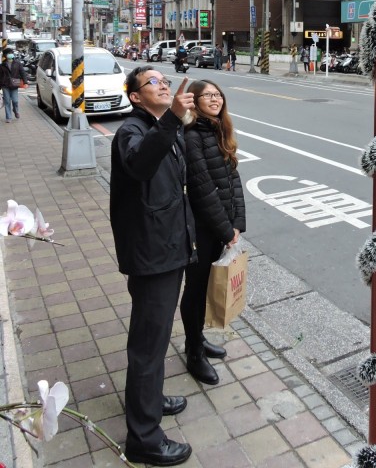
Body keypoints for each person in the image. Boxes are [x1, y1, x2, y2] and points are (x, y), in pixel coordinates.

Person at [110, 68, 197, 467]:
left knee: (157, 339)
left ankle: (151, 401)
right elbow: (141, 164)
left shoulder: (164, 127)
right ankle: (144, 439)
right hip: (152, 256)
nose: (163, 85)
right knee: (147, 346)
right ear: (135, 97)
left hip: (168, 249)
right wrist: (174, 120)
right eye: (153, 83)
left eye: (165, 80)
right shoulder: (131, 131)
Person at [180, 80, 246, 385]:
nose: (215, 98)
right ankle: (193, 350)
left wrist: (236, 224)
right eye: (208, 95)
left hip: (219, 228)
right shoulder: (192, 135)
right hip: (201, 230)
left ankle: (199, 339)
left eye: (218, 94)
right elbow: (202, 189)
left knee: (204, 289)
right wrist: (225, 230)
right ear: (193, 100)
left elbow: (233, 182)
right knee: (194, 292)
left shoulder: (219, 129)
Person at [0, 49, 29, 123]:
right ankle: (8, 117)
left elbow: (23, 73)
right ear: (5, 55)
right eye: (8, 53)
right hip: (5, 85)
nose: (10, 54)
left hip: (14, 84)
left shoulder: (17, 63)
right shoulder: (2, 65)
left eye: (11, 53)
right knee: (7, 101)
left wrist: (25, 82)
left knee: (15, 101)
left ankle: (15, 110)